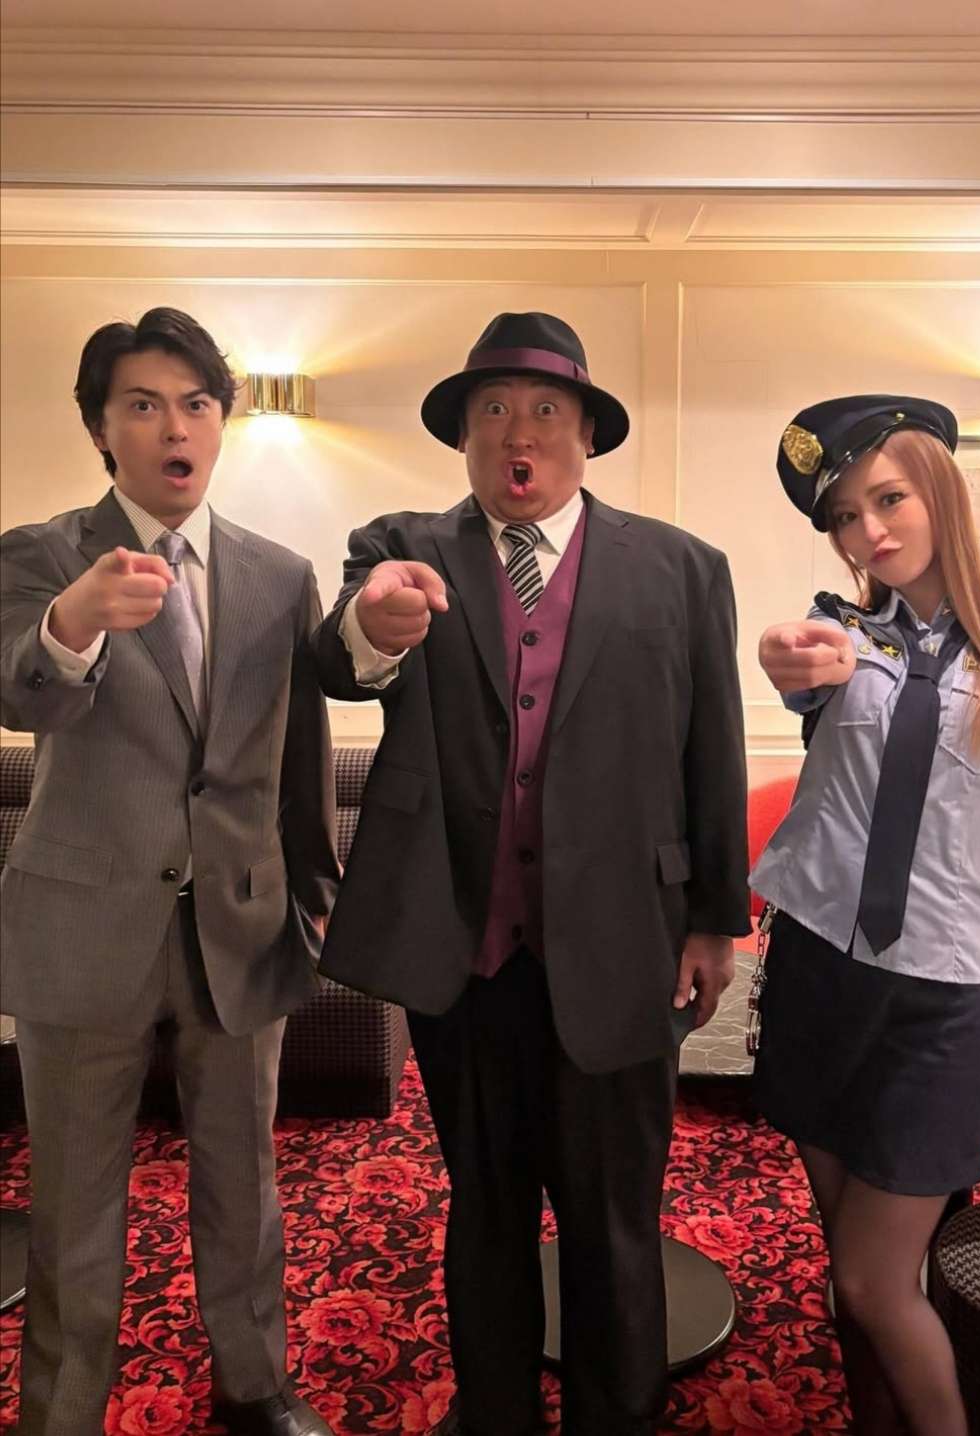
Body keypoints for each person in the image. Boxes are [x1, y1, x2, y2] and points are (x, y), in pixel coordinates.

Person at [311, 311, 750, 1435]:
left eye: (547, 409)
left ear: (586, 433)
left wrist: (715, 921)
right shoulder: (402, 544)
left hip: (627, 947)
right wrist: (376, 623)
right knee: (486, 1208)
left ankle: (618, 1415)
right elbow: (341, 661)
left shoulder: (683, 568)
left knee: (615, 1218)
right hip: (466, 953)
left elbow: (713, 752)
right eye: (494, 410)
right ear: (463, 436)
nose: (520, 432)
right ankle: (494, 1412)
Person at [0, 308, 340, 1436]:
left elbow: (299, 758)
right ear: (102, 427)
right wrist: (72, 625)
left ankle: (256, 1386)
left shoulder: (280, 575)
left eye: (196, 404)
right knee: (73, 1200)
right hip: (83, 929)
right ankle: (62, 1411)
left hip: (238, 925)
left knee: (245, 1182)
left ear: (222, 422)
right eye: (143, 405)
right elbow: (16, 693)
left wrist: (310, 901)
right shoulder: (44, 555)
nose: (174, 427)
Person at [750, 395, 980, 1435]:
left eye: (887, 499)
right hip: (817, 971)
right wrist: (780, 656)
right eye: (845, 516)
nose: (869, 532)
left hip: (945, 1000)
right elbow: (793, 659)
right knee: (851, 1262)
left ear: (941, 488)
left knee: (875, 1275)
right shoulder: (838, 636)